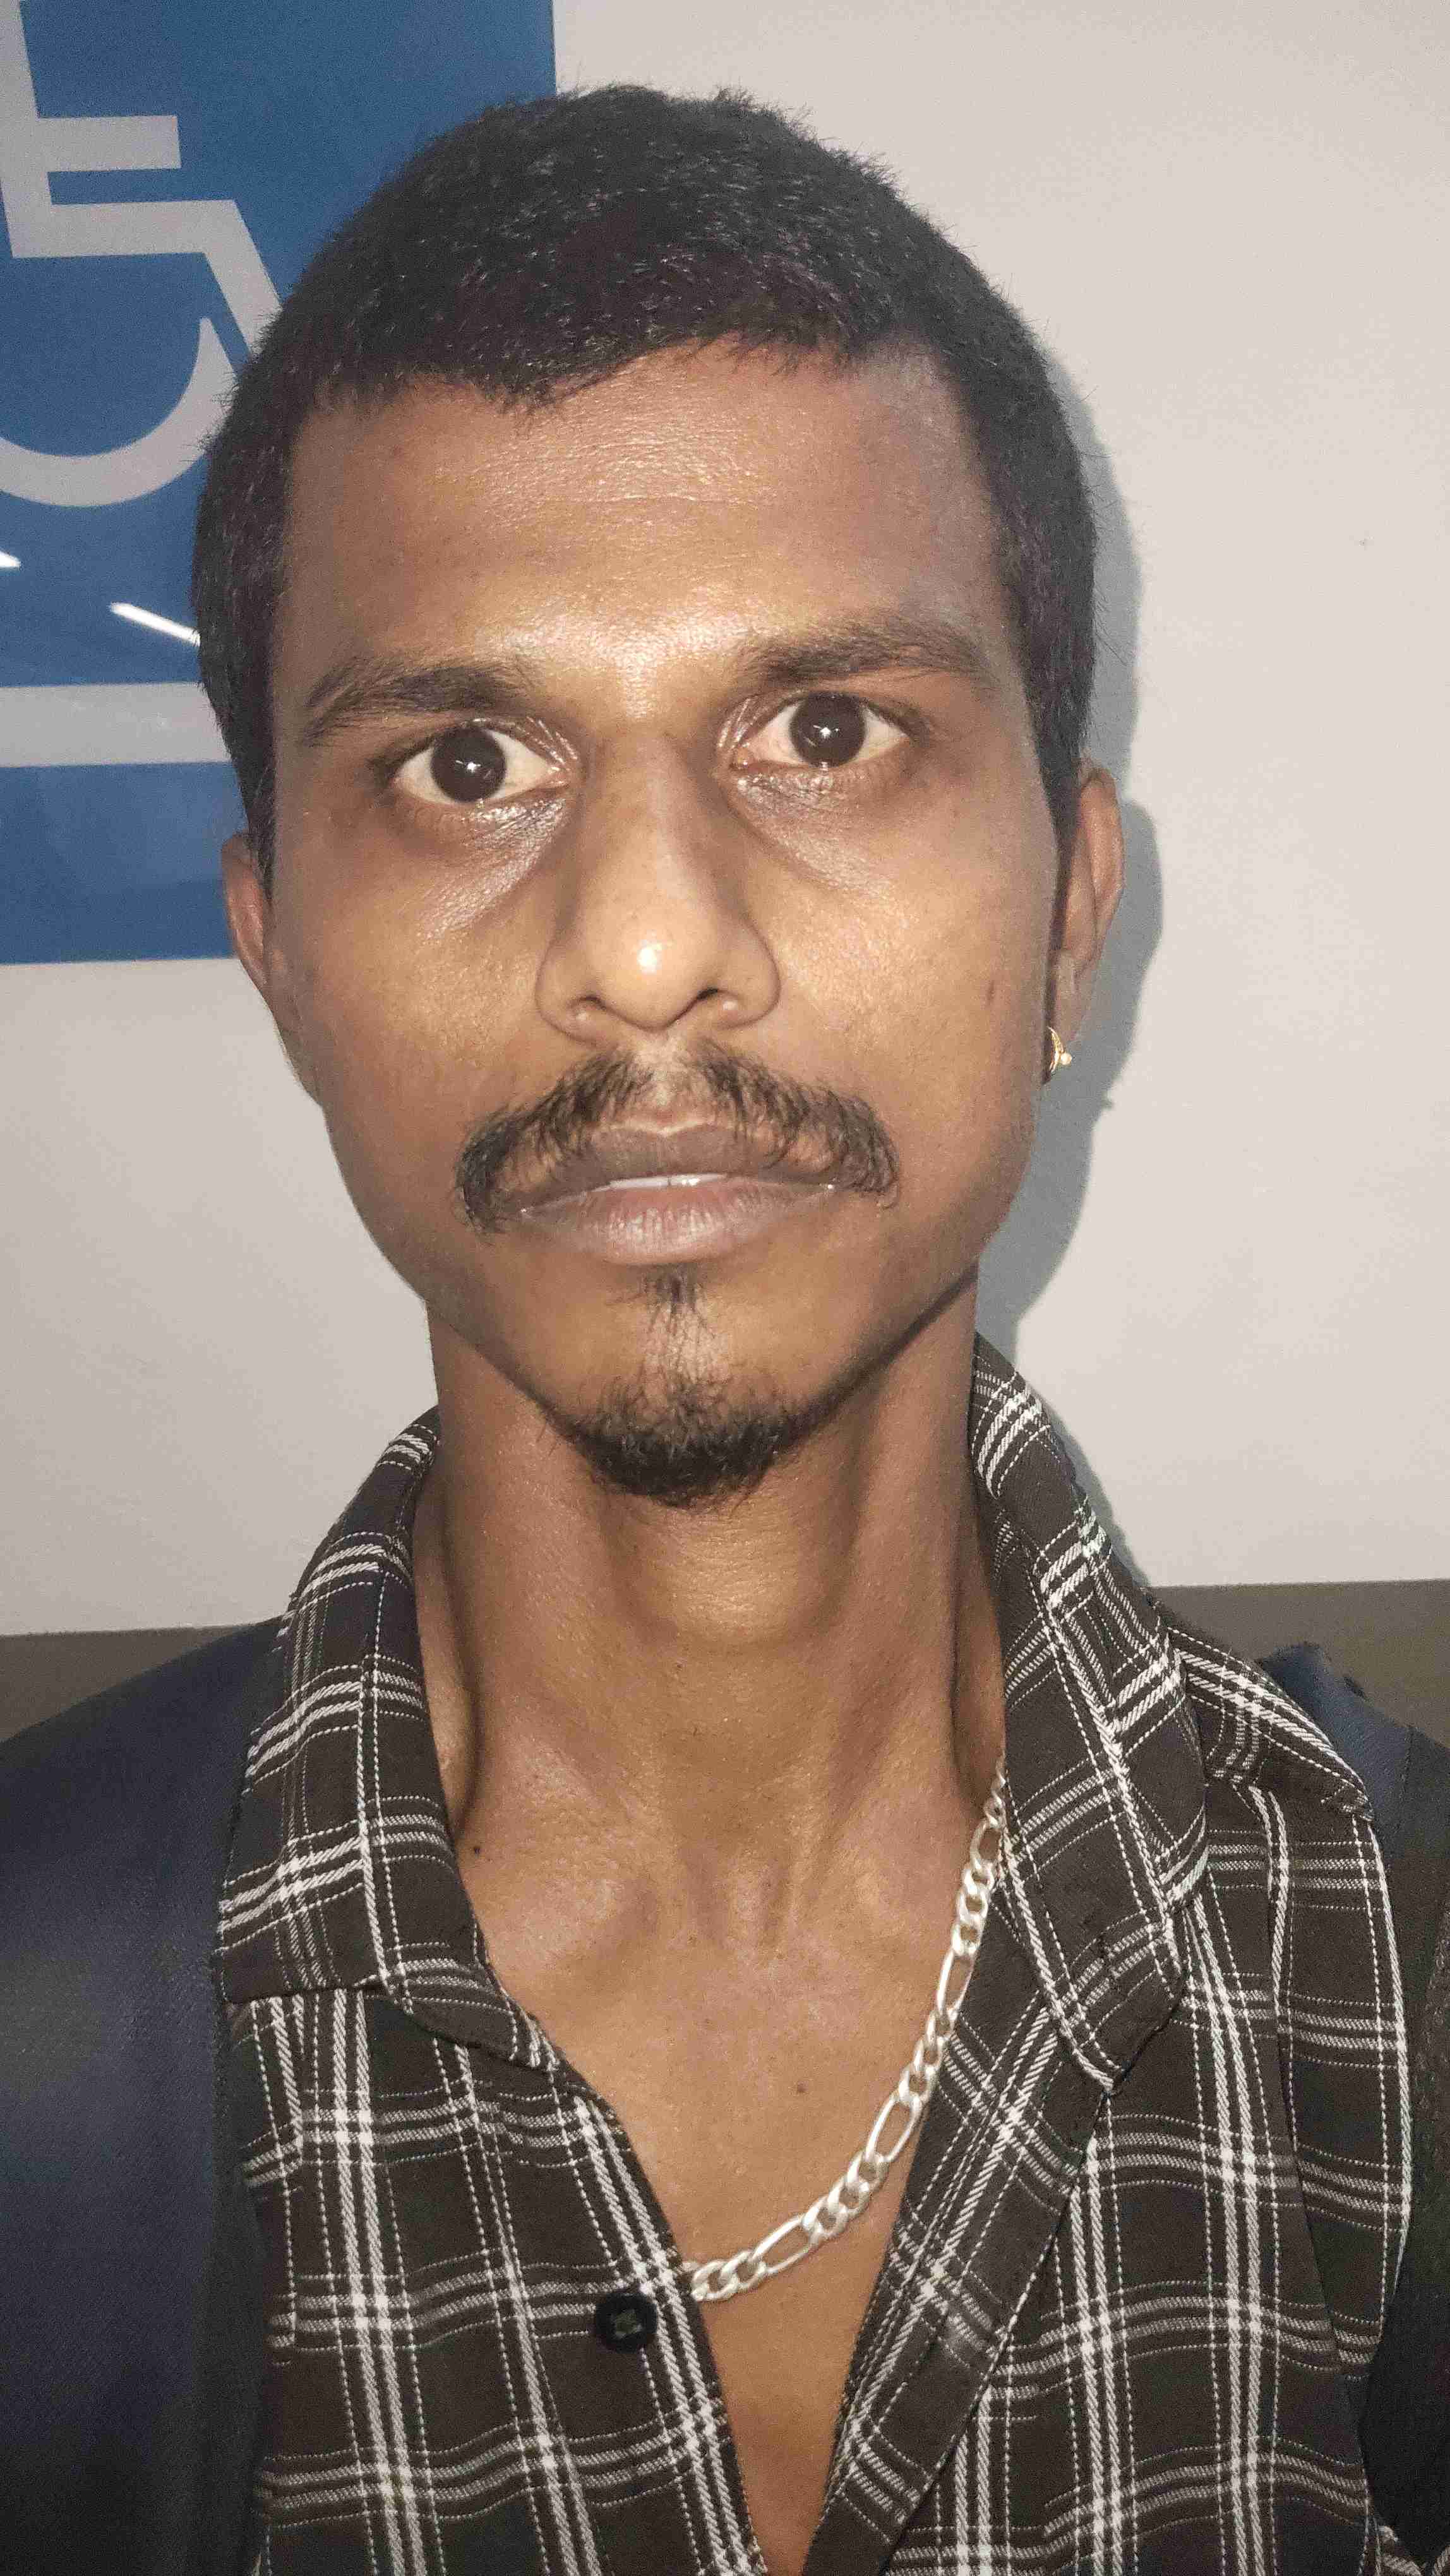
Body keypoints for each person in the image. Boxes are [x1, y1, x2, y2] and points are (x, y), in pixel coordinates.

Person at [3, 83, 1447, 2576]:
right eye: (468, 763)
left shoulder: (1390, 1970)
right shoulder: (45, 2038)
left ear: (1071, 912)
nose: (650, 942)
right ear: (280, 959)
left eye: (827, 734)